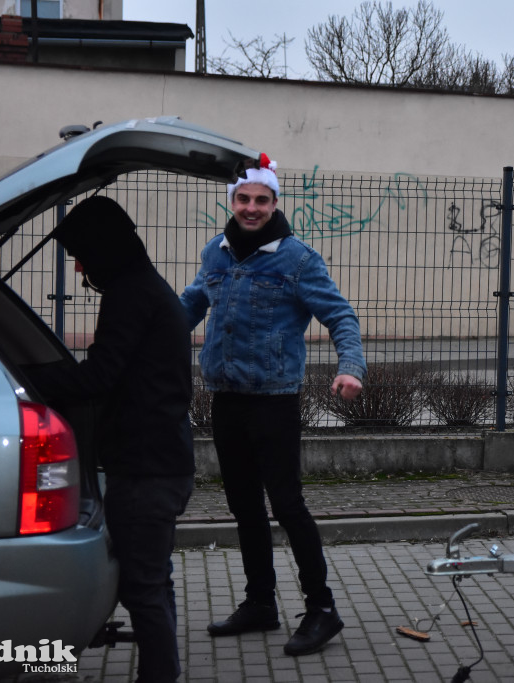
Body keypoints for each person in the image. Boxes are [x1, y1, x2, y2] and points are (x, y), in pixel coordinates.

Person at [180, 154, 366, 656]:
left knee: (287, 505)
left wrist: (351, 366)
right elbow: (190, 305)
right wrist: (142, 333)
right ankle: (261, 603)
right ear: (232, 202)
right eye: (243, 199)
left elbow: (341, 317)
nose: (252, 208)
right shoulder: (215, 254)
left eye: (261, 200)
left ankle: (322, 609)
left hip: (274, 401)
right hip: (226, 400)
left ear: (274, 203)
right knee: (243, 505)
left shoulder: (297, 259)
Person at [28, 195, 195, 683]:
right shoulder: (142, 287)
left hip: (147, 470)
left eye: (81, 254)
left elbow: (99, 376)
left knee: (143, 587)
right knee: (153, 582)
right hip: (161, 461)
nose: (79, 267)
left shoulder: (131, 293)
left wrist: (29, 381)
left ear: (104, 248)